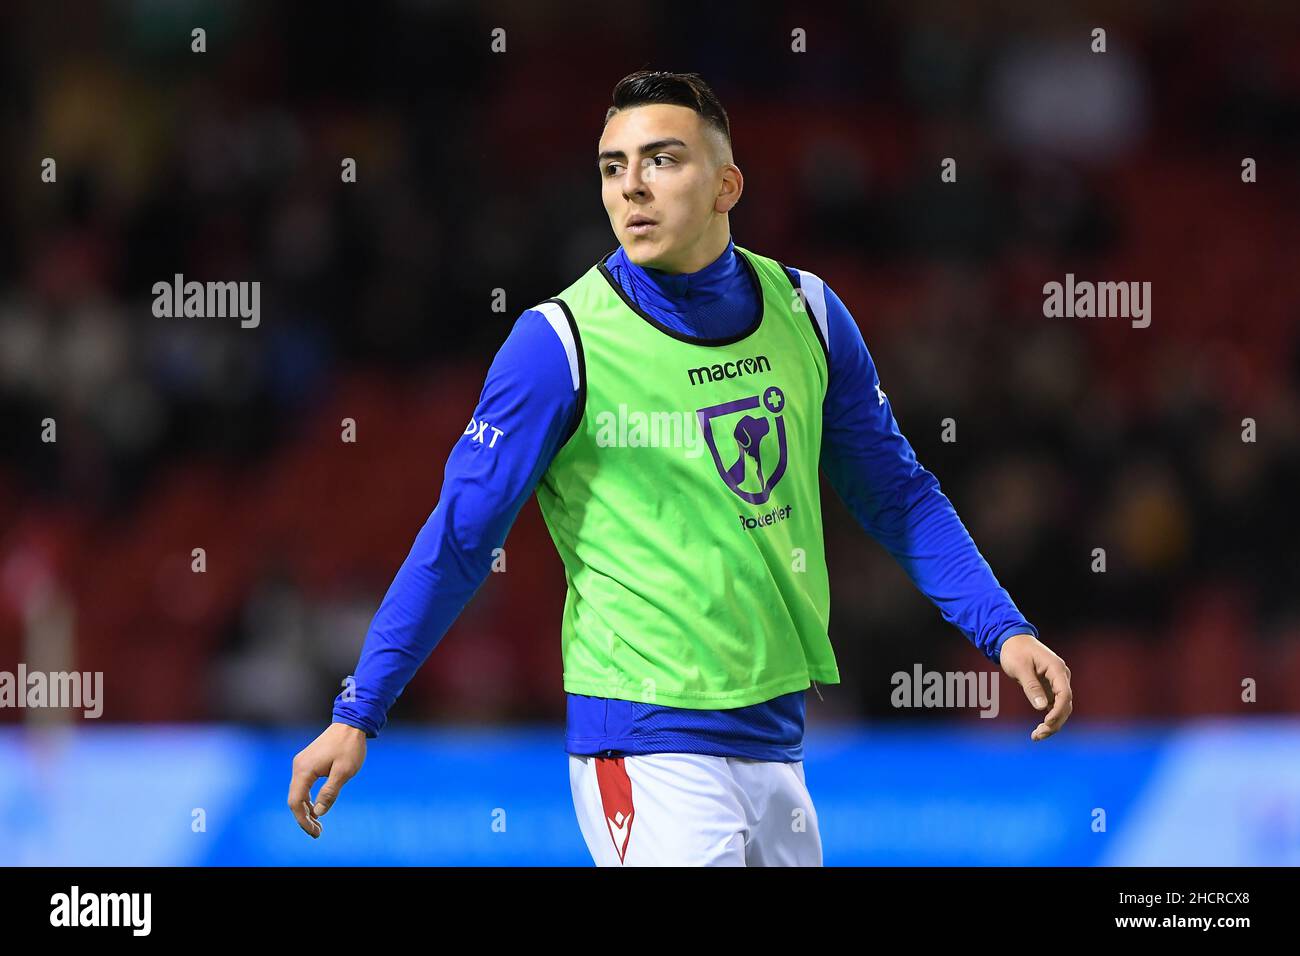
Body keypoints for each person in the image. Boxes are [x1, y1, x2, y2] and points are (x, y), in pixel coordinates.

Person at [287, 70, 1074, 866]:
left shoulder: (809, 313)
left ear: (727, 184)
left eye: (662, 160)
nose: (632, 187)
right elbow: (461, 537)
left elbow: (899, 496)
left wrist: (1001, 628)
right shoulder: (557, 345)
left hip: (776, 738)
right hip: (644, 740)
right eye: (611, 167)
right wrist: (360, 710)